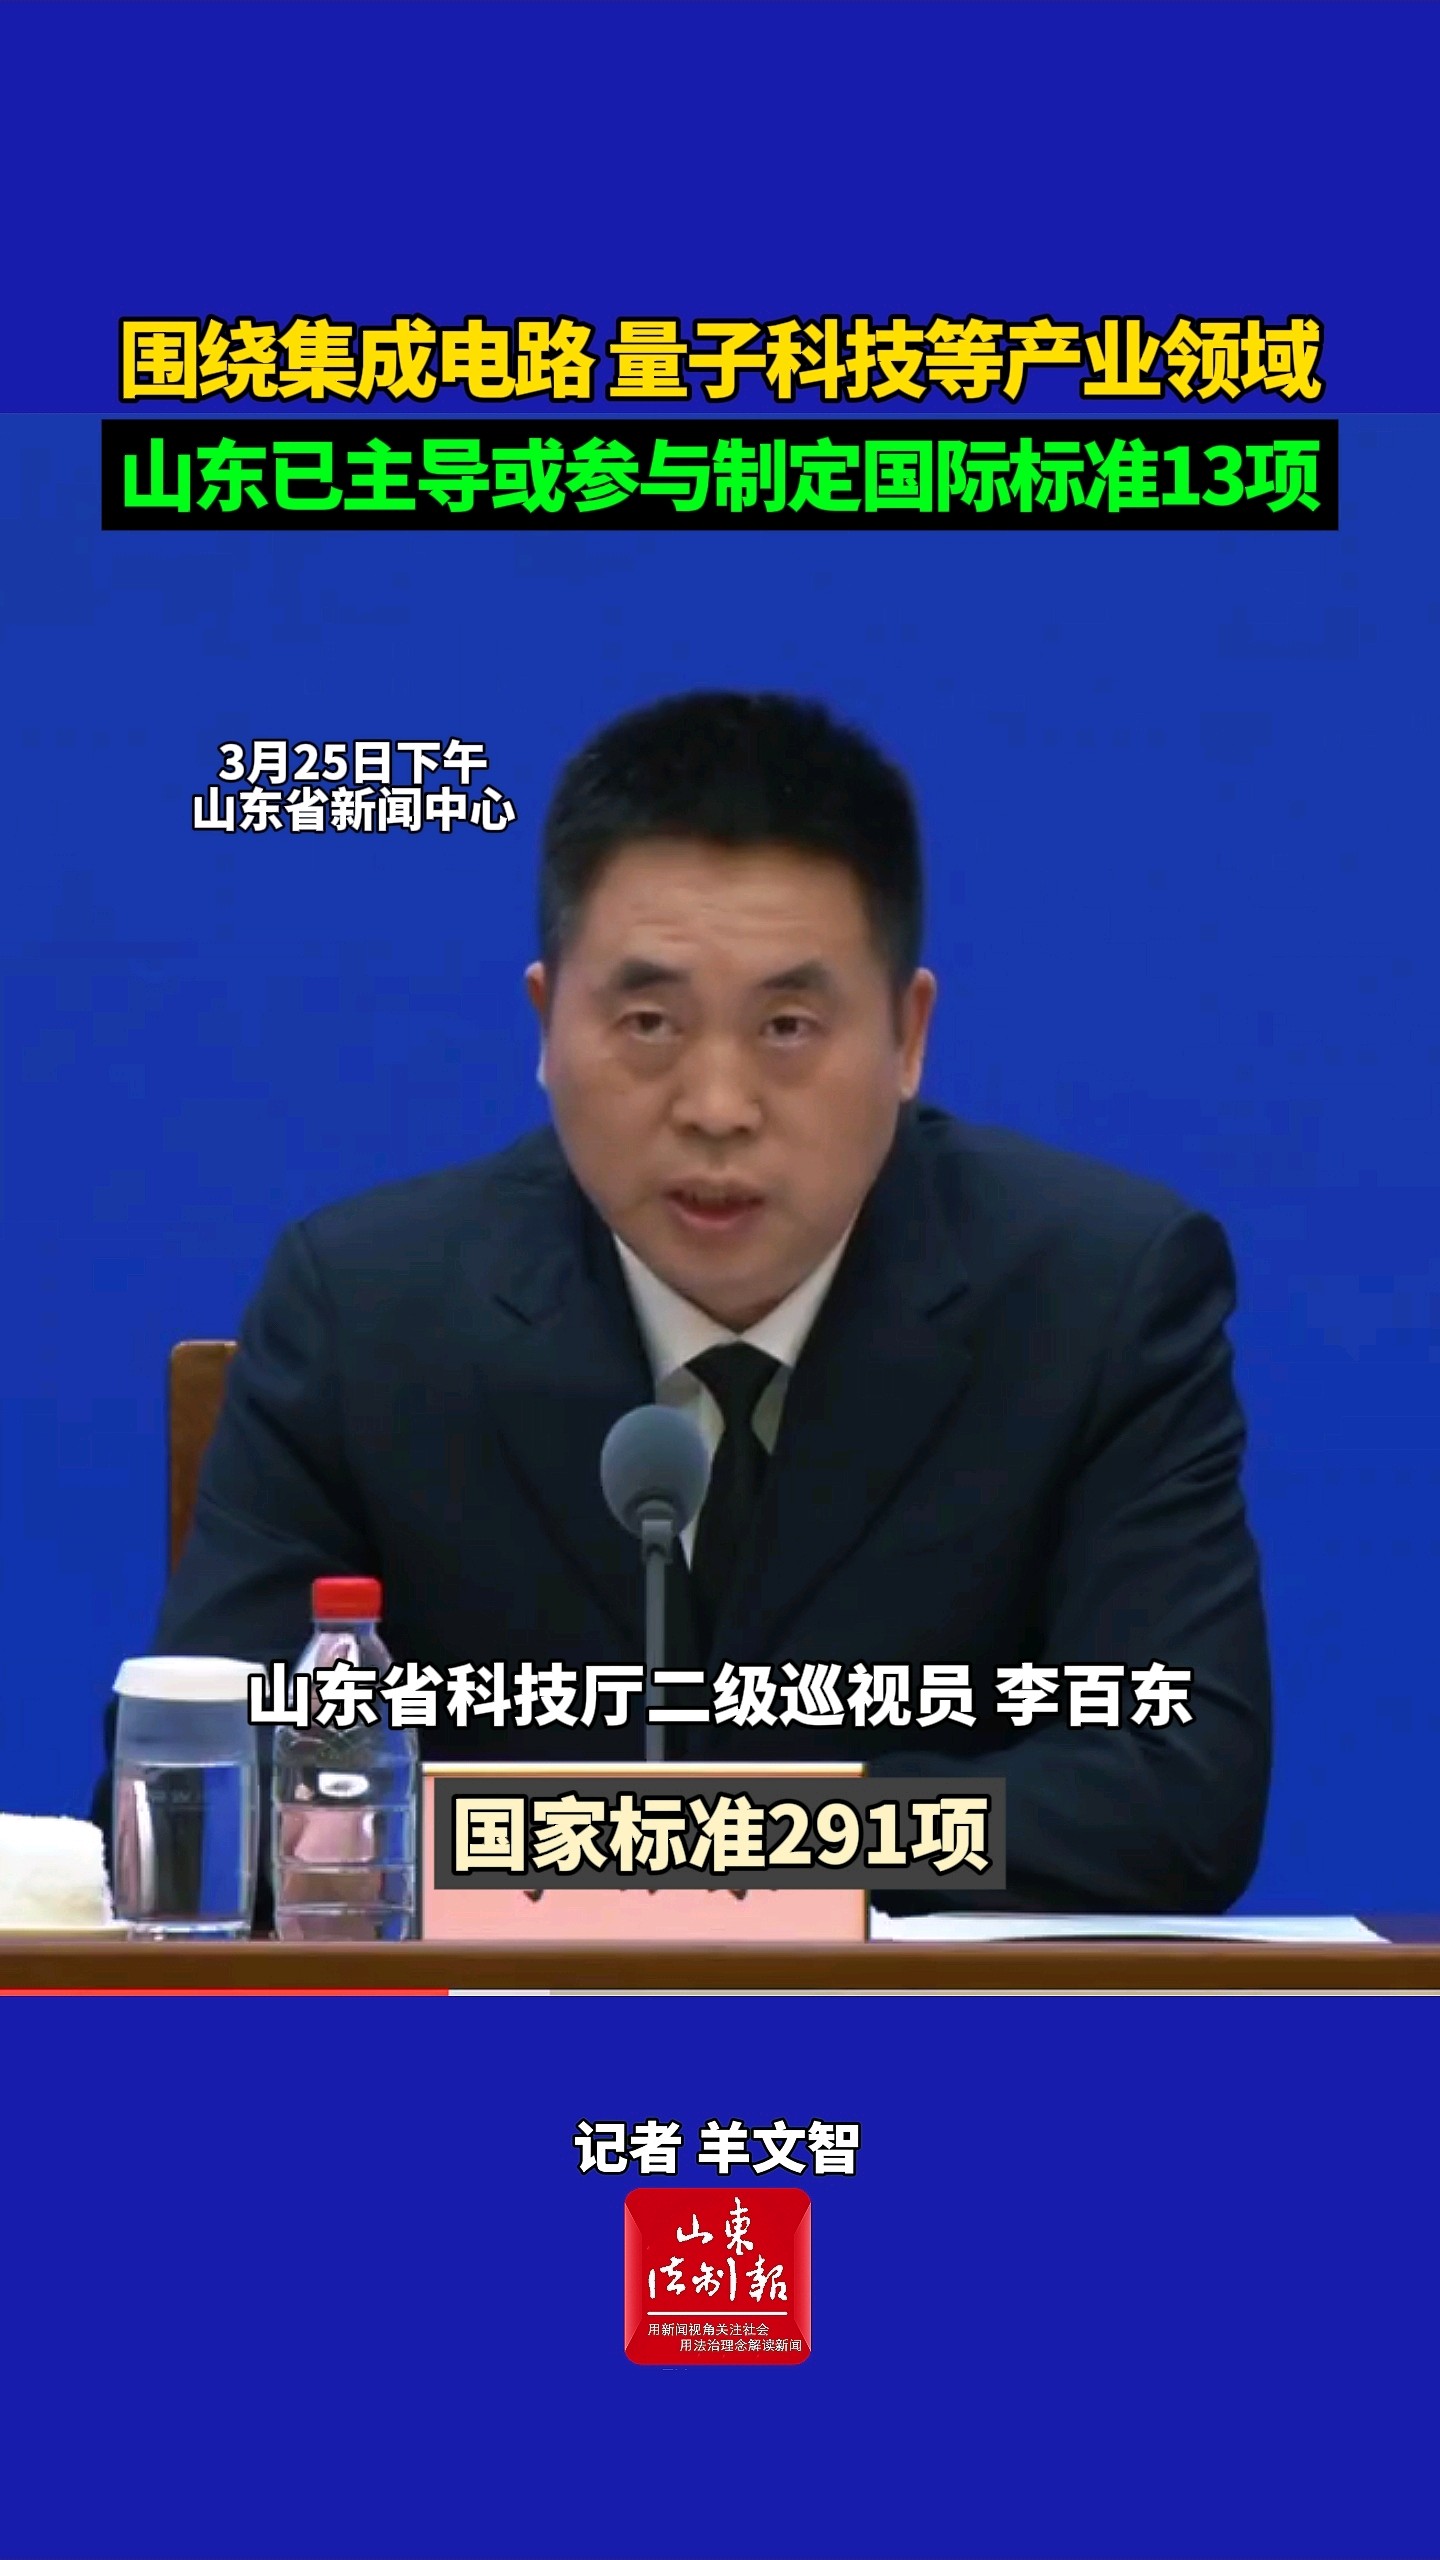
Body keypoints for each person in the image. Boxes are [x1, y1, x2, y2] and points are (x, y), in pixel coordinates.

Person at [108, 691, 1271, 1911]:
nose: (718, 1105)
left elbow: (1179, 1793)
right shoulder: (364, 1311)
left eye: (788, 1025)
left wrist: (680, 1845)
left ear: (908, 1036)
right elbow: (196, 1801)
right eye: (650, 1022)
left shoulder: (1095, 1295)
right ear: (545, 1025)